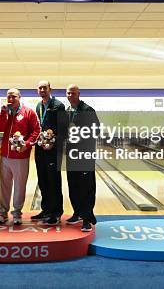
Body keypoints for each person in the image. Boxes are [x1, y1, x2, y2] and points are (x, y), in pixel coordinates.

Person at [0, 88, 41, 225]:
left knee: (20, 187)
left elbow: (37, 130)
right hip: (5, 155)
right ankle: (2, 213)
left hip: (21, 156)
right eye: (8, 96)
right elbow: (0, 128)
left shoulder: (28, 112)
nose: (10, 99)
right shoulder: (4, 111)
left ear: (19, 97)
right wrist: (3, 113)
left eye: (13, 96)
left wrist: (27, 144)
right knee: (4, 186)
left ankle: (16, 213)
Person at [64, 84, 98, 232]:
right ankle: (77, 212)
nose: (70, 95)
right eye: (68, 93)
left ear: (79, 94)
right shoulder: (67, 111)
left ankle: (87, 218)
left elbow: (95, 130)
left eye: (73, 93)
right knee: (74, 185)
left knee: (86, 187)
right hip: (72, 154)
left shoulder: (88, 110)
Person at [32, 80, 65, 226]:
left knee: (53, 181)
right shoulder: (39, 105)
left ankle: (56, 212)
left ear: (50, 89)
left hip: (53, 149)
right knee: (43, 179)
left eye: (45, 87)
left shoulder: (59, 105)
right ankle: (45, 210)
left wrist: (53, 142)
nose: (42, 90)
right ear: (37, 90)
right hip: (40, 148)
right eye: (40, 88)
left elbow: (64, 129)